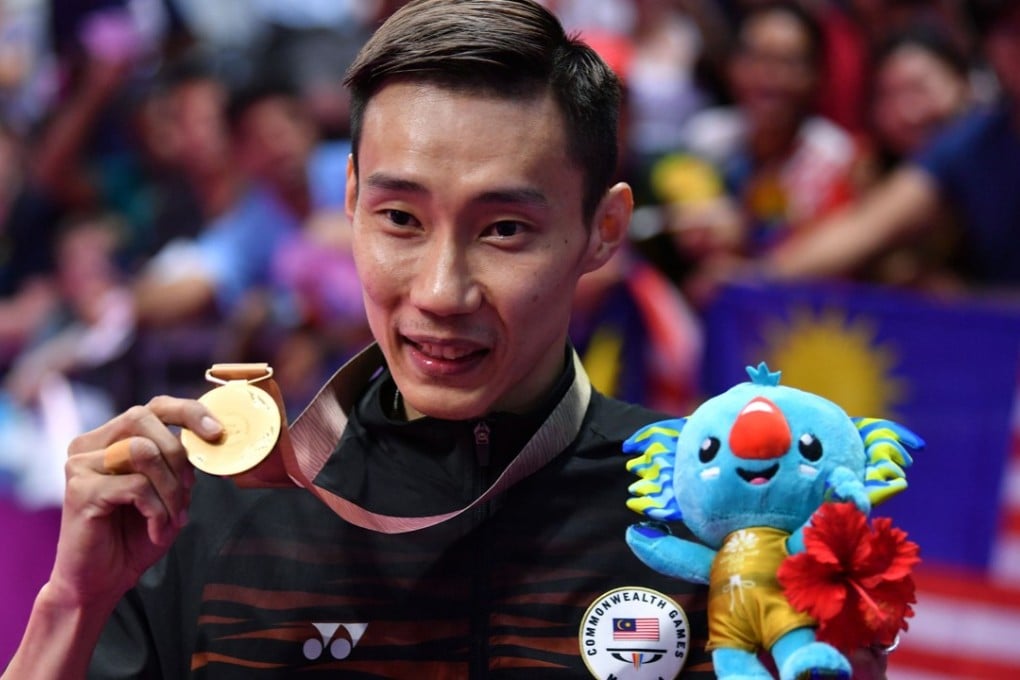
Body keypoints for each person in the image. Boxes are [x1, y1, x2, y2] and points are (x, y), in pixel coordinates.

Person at [4, 1, 889, 678]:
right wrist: (73, 604)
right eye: (399, 218)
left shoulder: (704, 516)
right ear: (347, 199)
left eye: (504, 230)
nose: (439, 291)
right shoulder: (208, 514)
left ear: (603, 229)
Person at [722, 0, 1020, 289]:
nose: (907, 111)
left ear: (962, 83)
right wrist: (754, 278)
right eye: (1008, 33)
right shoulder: (968, 145)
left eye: (918, 88)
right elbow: (864, 229)